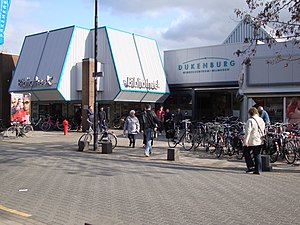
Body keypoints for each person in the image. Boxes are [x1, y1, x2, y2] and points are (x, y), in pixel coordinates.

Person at [243, 107, 265, 175]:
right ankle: (258, 169)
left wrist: (245, 141)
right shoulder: (261, 119)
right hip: (260, 140)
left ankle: (251, 166)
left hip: (252, 140)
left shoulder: (250, 120)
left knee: (246, 153)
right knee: (257, 155)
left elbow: (248, 132)